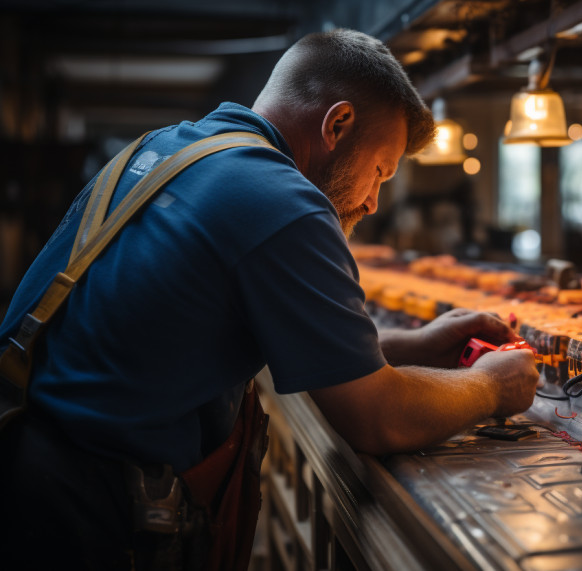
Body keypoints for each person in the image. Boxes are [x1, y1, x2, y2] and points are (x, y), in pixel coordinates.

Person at [0, 28, 540, 569]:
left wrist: (414, 345)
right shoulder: (282, 200)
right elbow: (377, 418)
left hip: (33, 463)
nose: (375, 201)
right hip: (94, 511)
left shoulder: (166, 148)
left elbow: (233, 329)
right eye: (380, 172)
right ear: (338, 124)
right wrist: (492, 386)